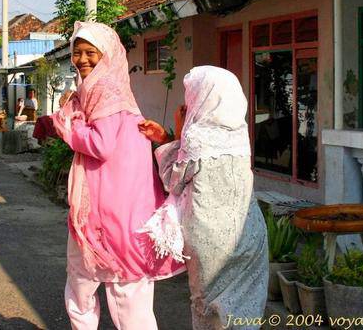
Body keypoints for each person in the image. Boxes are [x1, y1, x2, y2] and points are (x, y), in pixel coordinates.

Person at [51, 21, 184, 330]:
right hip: (109, 216)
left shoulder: (106, 94)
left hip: (109, 217)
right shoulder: (107, 94)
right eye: (77, 52)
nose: (82, 60)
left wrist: (65, 121)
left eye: (90, 53)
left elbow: (100, 144)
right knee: (121, 293)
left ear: (107, 56)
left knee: (100, 289)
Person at [138, 66, 268, 330]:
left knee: (207, 309)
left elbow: (173, 181)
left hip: (210, 241)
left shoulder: (196, 136)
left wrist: (176, 131)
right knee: (244, 311)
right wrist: (174, 136)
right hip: (249, 233)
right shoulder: (239, 133)